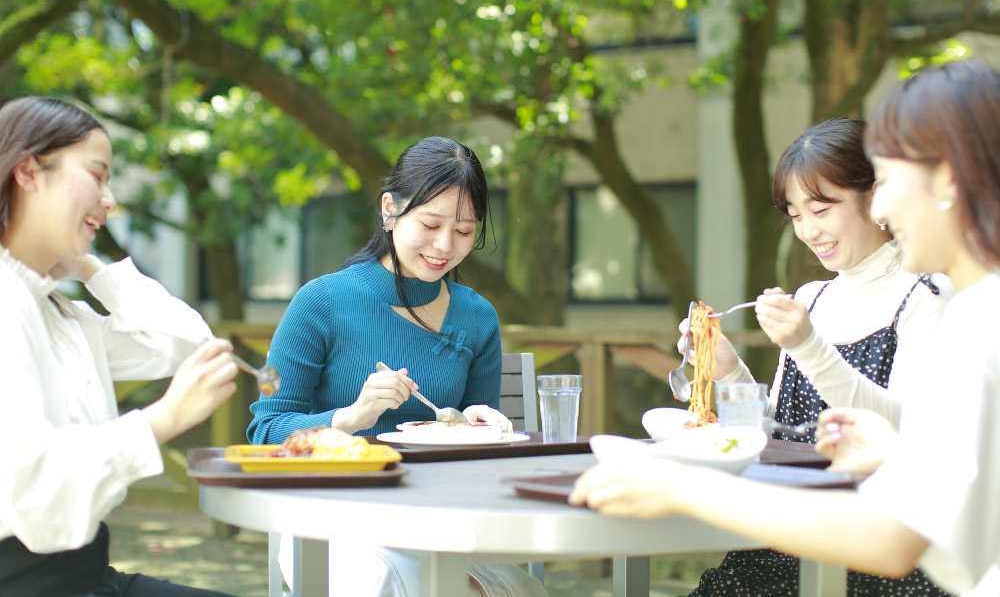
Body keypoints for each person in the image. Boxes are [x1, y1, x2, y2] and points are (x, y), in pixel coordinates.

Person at [571, 60, 1000, 597]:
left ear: (948, 181)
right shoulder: (973, 311)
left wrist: (683, 486)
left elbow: (895, 539)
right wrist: (892, 452)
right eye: (795, 214)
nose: (882, 207)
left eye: (887, 180)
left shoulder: (972, 316)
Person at [248, 137, 546, 597]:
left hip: (443, 525)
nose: (445, 245)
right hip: (329, 520)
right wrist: (349, 419)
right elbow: (264, 430)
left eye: (465, 231)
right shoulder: (321, 302)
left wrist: (477, 425)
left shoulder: (478, 317)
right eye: (430, 224)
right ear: (390, 209)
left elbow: (476, 452)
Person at [675, 118, 951, 596]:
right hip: (788, 533)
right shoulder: (814, 297)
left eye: (822, 208)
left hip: (881, 547)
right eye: (796, 214)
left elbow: (903, 433)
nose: (808, 231)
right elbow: (779, 431)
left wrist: (808, 347)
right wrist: (727, 370)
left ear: (877, 198)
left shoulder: (926, 292)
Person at [0, 97, 239, 597]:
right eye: (97, 175)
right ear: (27, 171)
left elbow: (186, 345)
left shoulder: (57, 310)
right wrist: (162, 420)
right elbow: (35, 494)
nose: (109, 200)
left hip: (87, 575)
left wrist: (91, 269)